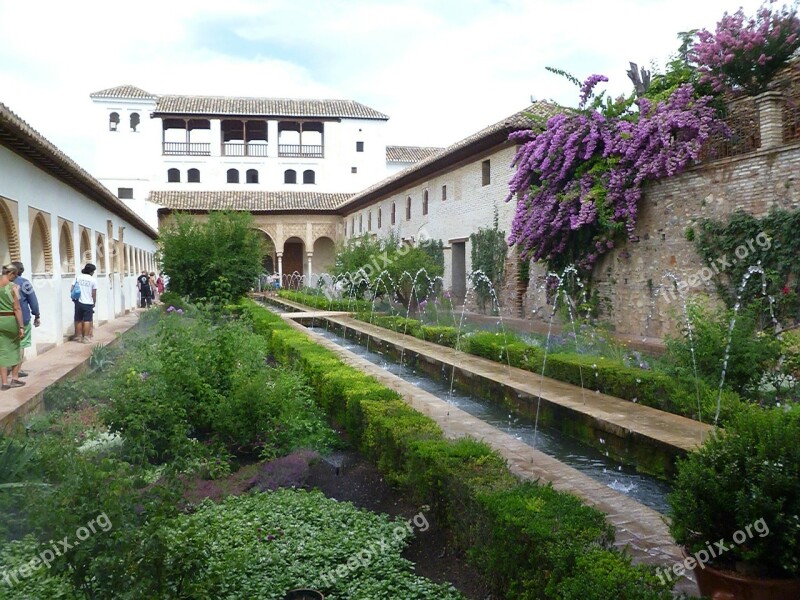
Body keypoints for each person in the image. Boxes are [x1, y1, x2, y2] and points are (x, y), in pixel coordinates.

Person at [10, 262, 40, 380]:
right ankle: (17, 371)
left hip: (6, 318)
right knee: (21, 344)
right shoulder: (24, 283)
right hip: (23, 318)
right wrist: (37, 314)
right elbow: (33, 300)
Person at [0, 264, 25, 390]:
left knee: (2, 350)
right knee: (15, 347)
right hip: (10, 319)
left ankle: (4, 382)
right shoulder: (13, 287)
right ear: (11, 274)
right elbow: (17, 307)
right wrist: (21, 326)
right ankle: (14, 378)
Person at [72, 263, 97, 343]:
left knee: (78, 319)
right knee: (87, 320)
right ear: (91, 271)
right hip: (88, 302)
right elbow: (94, 293)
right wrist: (94, 302)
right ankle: (86, 338)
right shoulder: (93, 280)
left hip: (78, 301)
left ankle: (78, 337)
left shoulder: (78, 277)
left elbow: (72, 288)